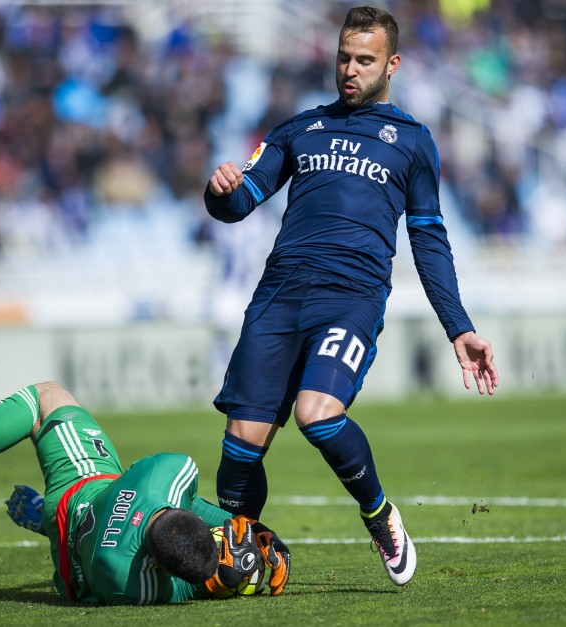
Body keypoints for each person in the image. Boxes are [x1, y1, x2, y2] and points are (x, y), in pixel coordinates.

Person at [204, 5, 499, 587]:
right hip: (279, 295)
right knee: (240, 447)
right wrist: (221, 191)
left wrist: (458, 326)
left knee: (317, 414)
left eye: (365, 60)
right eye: (344, 57)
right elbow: (240, 204)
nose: (350, 69)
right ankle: (246, 545)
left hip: (351, 297)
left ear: (392, 65)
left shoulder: (412, 142)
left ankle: (379, 514)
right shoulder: (299, 129)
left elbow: (429, 240)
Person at [0, 381, 289, 604]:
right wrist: (220, 581)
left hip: (84, 487)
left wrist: (234, 526)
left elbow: (187, 503)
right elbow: (181, 583)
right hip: (74, 563)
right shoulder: (126, 581)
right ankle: (42, 516)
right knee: (83, 547)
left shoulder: (166, 473)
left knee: (46, 397)